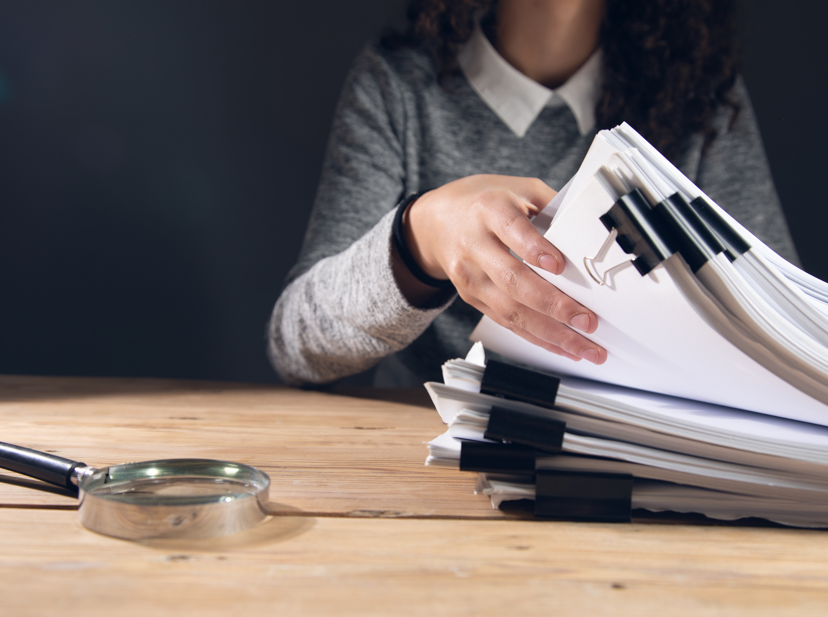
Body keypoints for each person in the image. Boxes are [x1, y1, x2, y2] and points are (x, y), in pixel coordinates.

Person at [267, 0, 799, 387]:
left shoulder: (704, 95)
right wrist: (420, 235)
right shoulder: (397, 84)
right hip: (433, 463)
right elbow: (297, 345)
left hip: (641, 465)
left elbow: (782, 334)